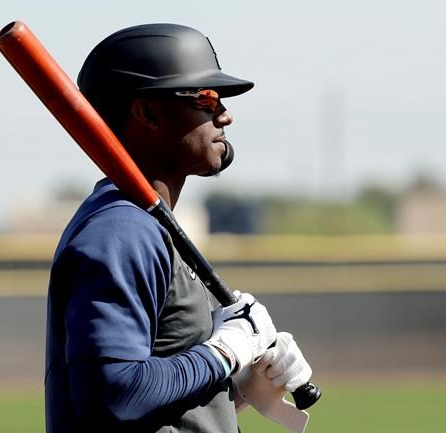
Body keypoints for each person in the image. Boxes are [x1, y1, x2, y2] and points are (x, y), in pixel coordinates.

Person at [45, 23, 312, 433]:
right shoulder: (120, 231)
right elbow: (114, 396)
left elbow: (160, 406)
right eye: (206, 99)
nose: (225, 113)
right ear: (148, 113)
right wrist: (225, 352)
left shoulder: (148, 224)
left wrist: (237, 386)